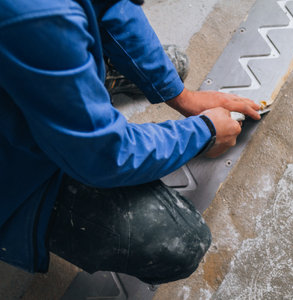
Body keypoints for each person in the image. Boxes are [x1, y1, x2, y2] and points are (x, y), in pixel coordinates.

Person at [0, 0, 261, 284]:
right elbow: (105, 155)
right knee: (182, 243)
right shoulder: (36, 16)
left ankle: (72, 67)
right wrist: (203, 132)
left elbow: (113, 7)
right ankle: (68, 67)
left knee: (80, 41)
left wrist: (181, 95)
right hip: (11, 167)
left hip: (35, 45)